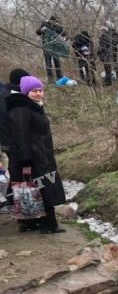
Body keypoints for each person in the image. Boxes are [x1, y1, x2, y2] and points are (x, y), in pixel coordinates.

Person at [6, 76, 67, 234]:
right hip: (32, 157)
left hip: (40, 155)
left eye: (40, 90)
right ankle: (48, 225)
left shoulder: (32, 107)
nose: (38, 93)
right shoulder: (22, 109)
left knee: (34, 188)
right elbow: (20, 136)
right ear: (26, 92)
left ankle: (31, 223)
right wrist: (25, 162)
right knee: (40, 188)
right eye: (34, 91)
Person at [0, 69, 30, 214]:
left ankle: (11, 201)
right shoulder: (17, 97)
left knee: (12, 172)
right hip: (16, 142)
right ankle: (25, 208)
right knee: (22, 174)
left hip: (5, 142)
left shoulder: (2, 94)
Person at [36, 15, 68, 81]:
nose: (54, 23)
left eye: (55, 22)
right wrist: (41, 30)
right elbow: (37, 32)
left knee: (57, 63)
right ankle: (50, 79)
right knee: (48, 63)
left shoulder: (58, 27)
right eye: (53, 21)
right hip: (47, 46)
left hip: (56, 47)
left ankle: (59, 77)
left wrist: (65, 38)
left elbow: (65, 34)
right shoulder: (45, 25)